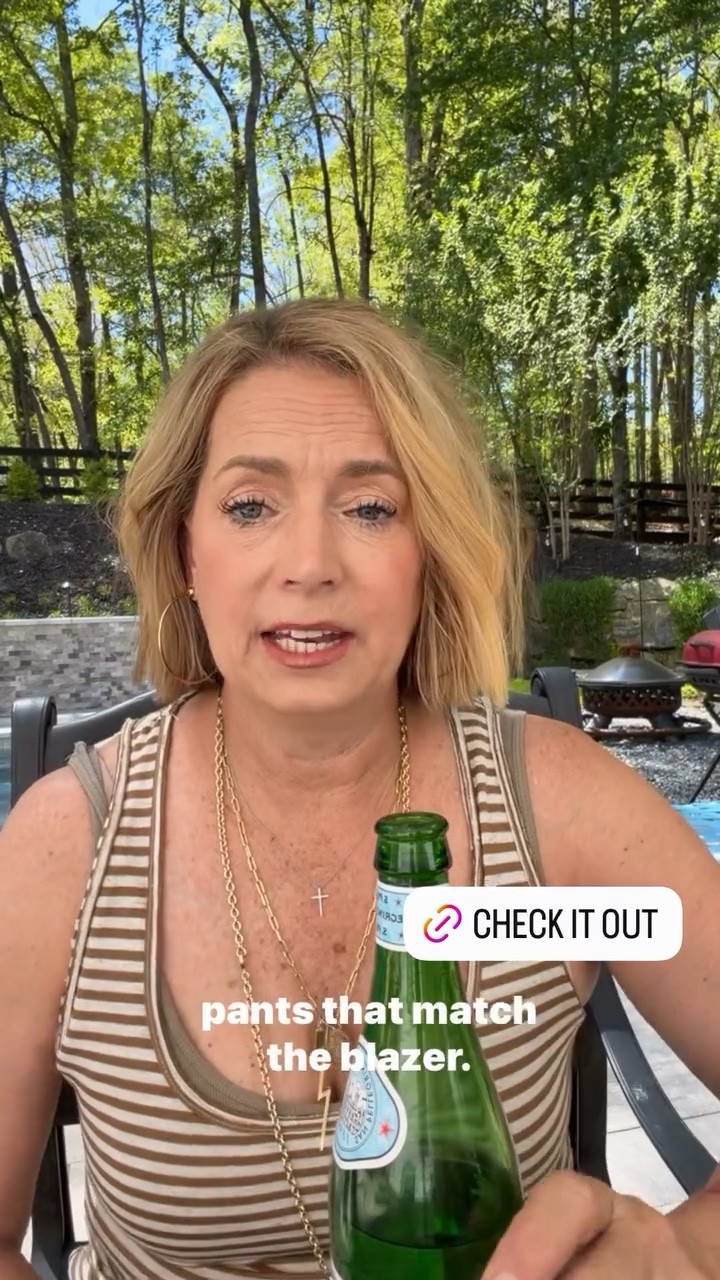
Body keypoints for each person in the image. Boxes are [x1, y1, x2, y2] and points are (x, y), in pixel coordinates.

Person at [0, 297, 718, 1280]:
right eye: (250, 505)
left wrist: (681, 1248)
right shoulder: (61, 849)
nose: (310, 565)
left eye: (371, 507)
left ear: (429, 551)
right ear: (185, 549)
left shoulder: (567, 808)